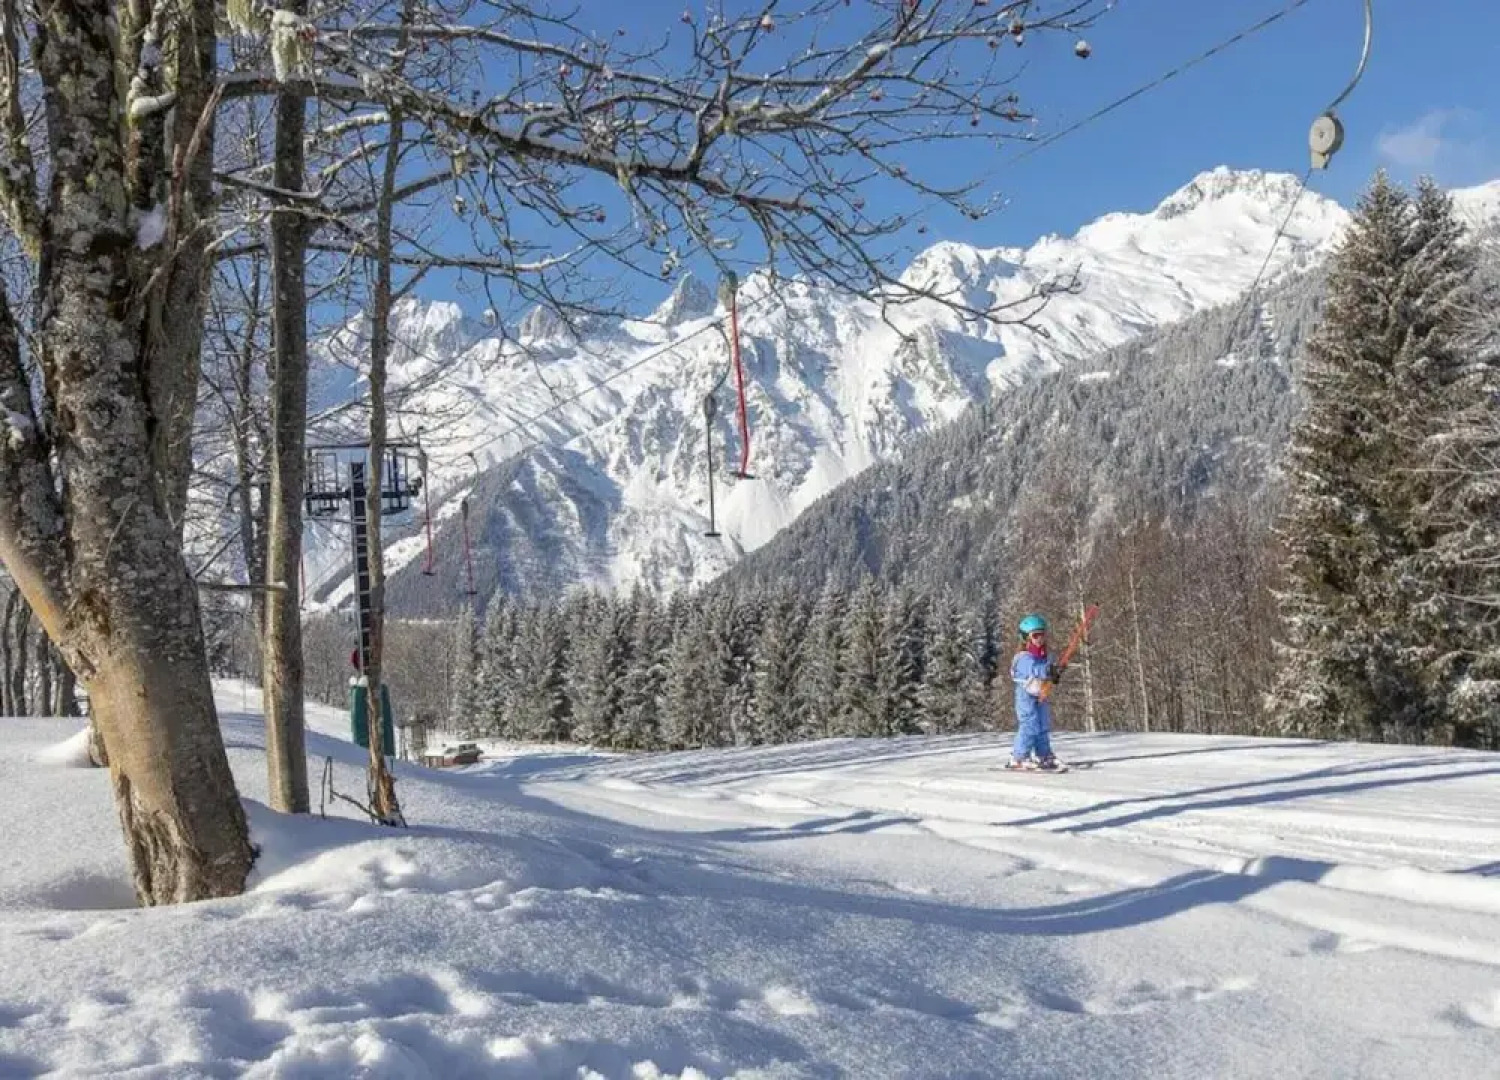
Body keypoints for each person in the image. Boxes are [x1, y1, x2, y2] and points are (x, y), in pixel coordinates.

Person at [1007, 613, 1061, 771]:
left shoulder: (1045, 656)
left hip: (1041, 693)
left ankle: (1043, 754)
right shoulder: (1022, 657)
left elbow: (1047, 671)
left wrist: (1055, 674)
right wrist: (1048, 670)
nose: (1040, 639)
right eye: (1035, 635)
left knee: (1042, 724)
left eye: (1042, 634)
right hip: (1025, 695)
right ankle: (1019, 757)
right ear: (1026, 638)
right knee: (1029, 724)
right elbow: (1034, 669)